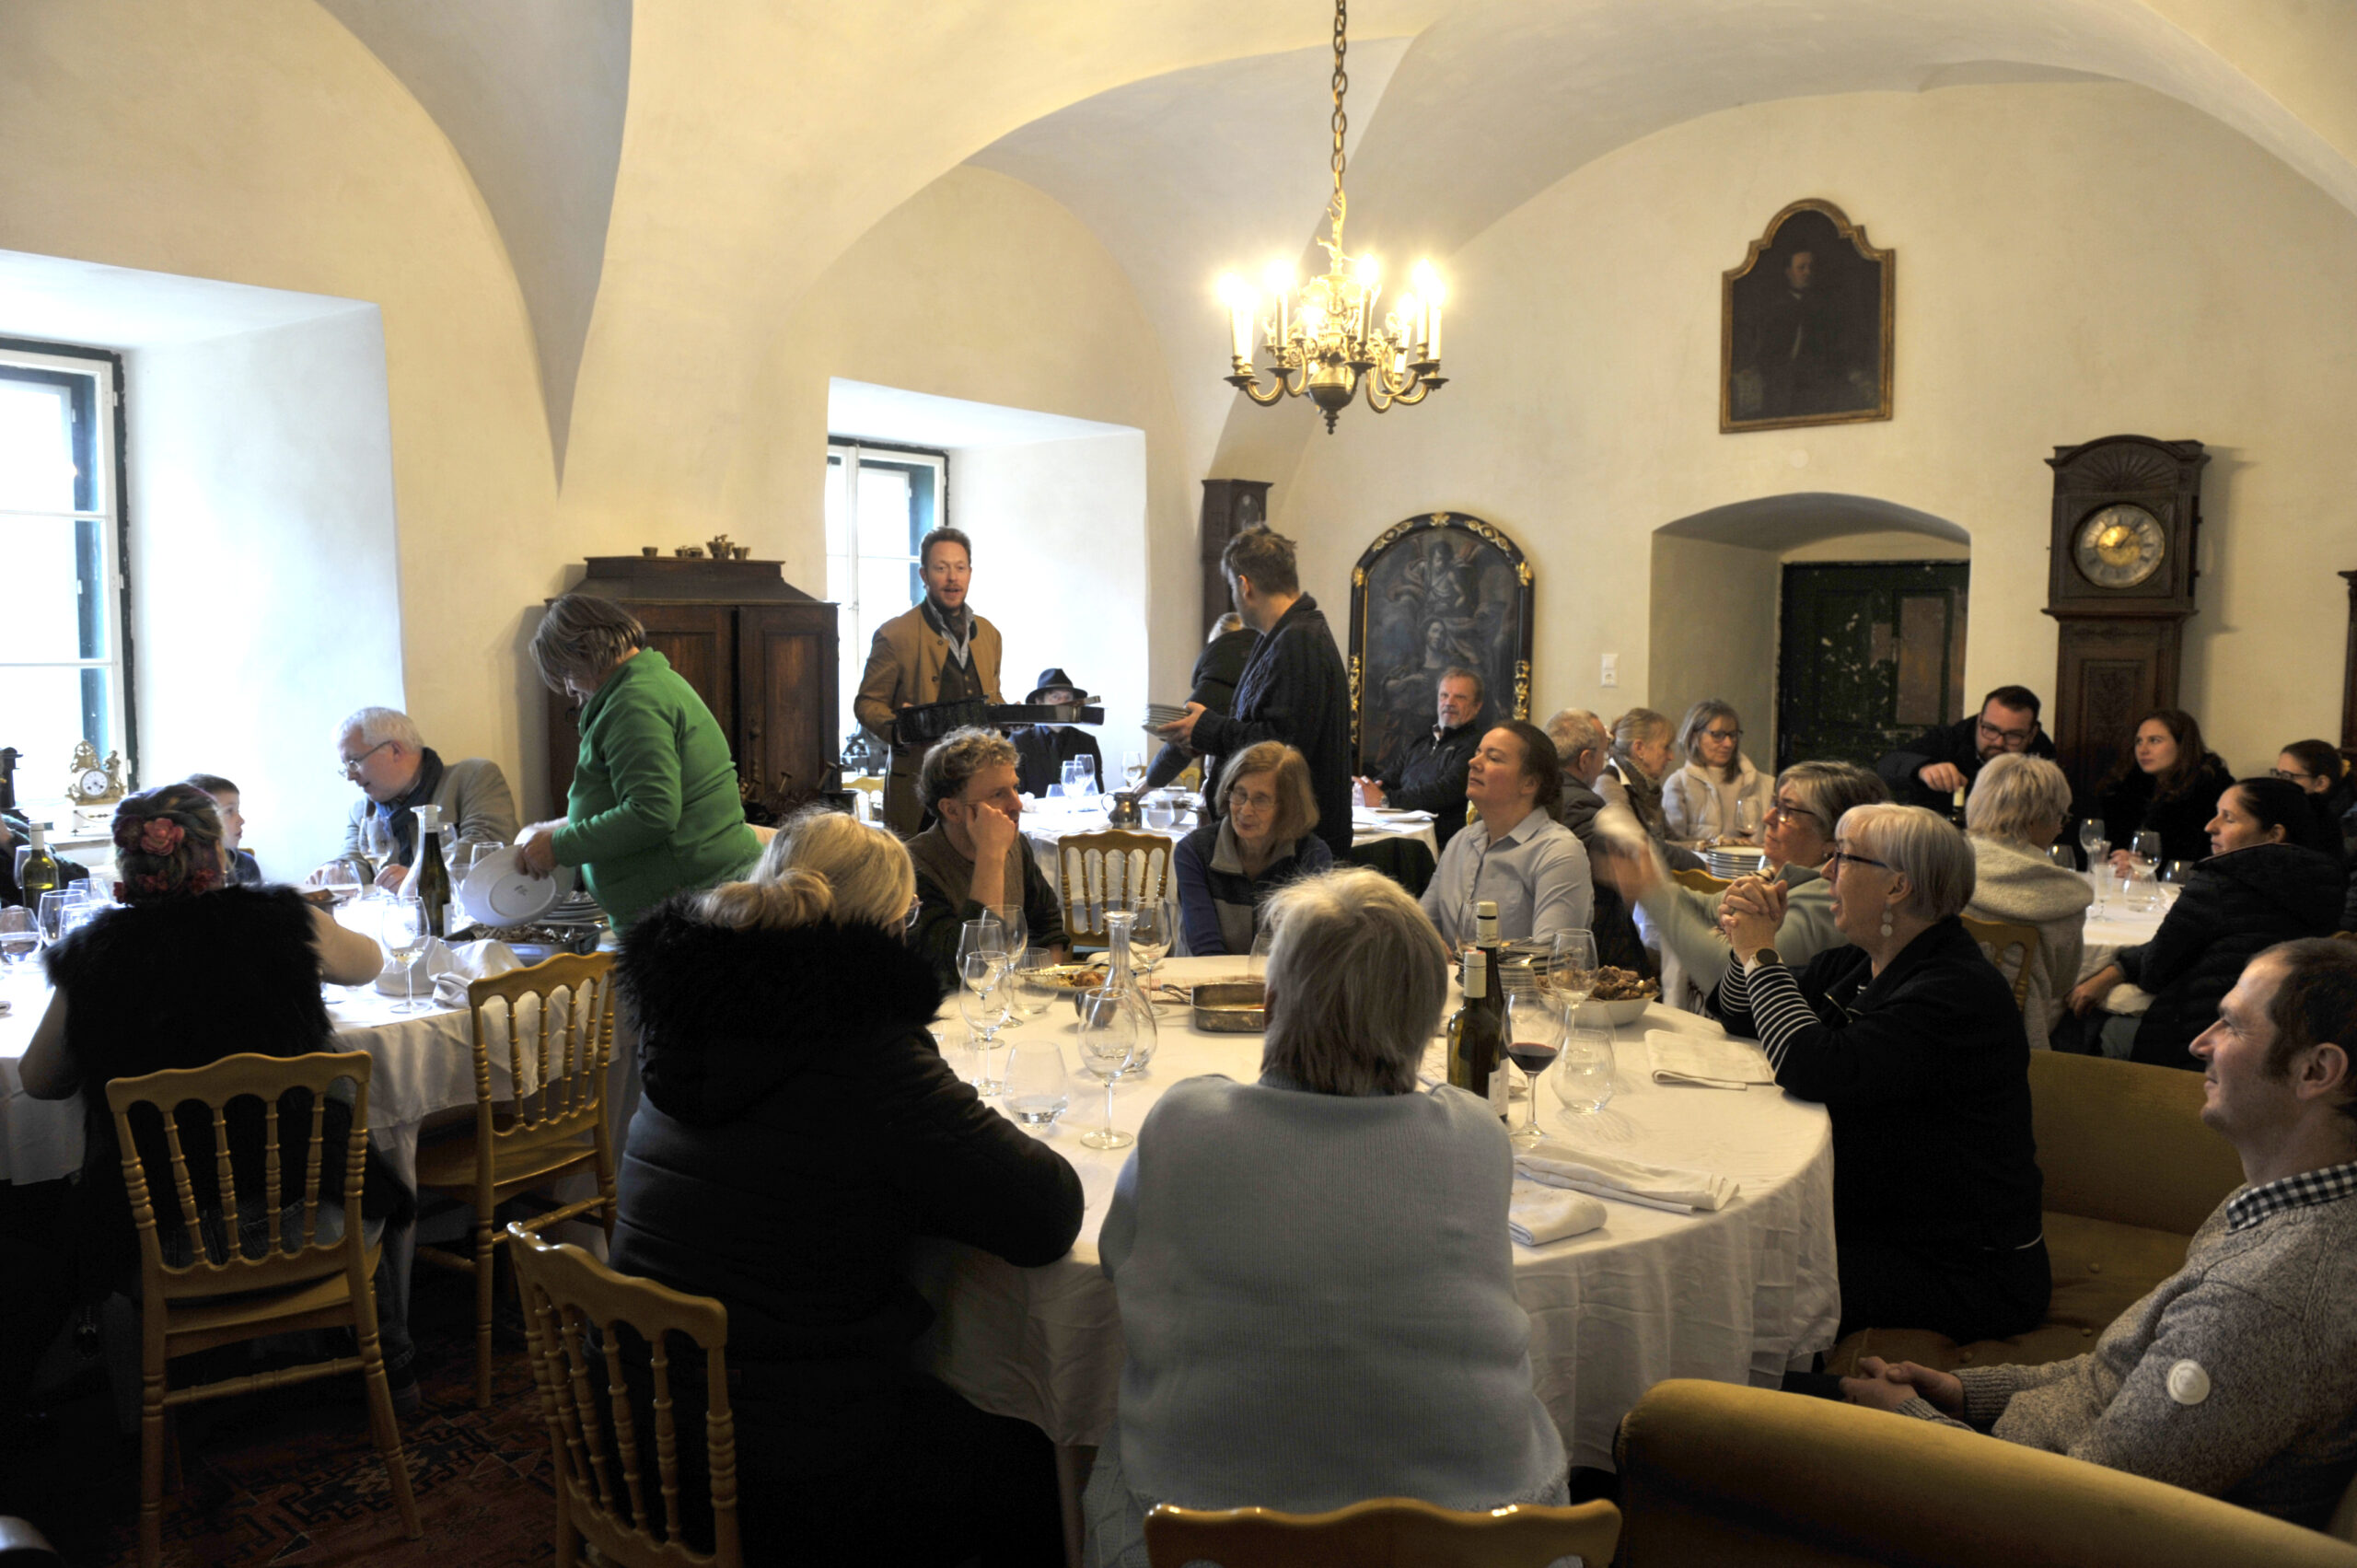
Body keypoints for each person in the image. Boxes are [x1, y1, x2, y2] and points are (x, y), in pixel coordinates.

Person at [611, 807, 1084, 1566]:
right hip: (786, 1460)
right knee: (1032, 1453)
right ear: (885, 929)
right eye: (908, 918)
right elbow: (1046, 1213)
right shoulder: (861, 1045)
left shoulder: (684, 1010)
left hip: (637, 1417)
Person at [1082, 867, 1569, 1567]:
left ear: (1271, 1003)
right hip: (1481, 1543)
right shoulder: (1474, 1135)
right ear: (1428, 1023)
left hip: (1205, 1540)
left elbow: (1115, 1259)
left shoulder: (1185, 1123)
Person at [1843, 939, 2357, 1529]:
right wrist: (1964, 1393)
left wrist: (1910, 1422)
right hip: (2011, 1464)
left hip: (2000, 1517)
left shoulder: (2262, 1304)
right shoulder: (2285, 1200)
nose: (2201, 1042)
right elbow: (2116, 1374)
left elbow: (2079, 1515)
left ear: (2316, 1071)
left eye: (2233, 1025)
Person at [19, 786, 416, 1398]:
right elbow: (368, 963)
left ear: (127, 864)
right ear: (218, 852)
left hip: (165, 1242)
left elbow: (39, 1081)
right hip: (315, 1222)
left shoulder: (93, 953)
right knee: (349, 1156)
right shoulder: (282, 920)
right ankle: (392, 1373)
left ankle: (166, 1406)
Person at [1712, 803, 2048, 1342]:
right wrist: (1744, 945)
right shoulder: (1862, 962)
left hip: (1961, 1266)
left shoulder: (1956, 990)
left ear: (1898, 886)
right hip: (1880, 1225)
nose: (1826, 871)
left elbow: (1812, 1066)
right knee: (1730, 1245)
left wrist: (1760, 953)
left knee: (1735, 1277)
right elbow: (1739, 1013)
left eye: (1843, 857)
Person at [516, 594, 761, 931]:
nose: (569, 689)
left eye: (565, 672)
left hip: (689, 915)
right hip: (689, 907)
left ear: (583, 652)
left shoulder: (634, 703)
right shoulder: (649, 684)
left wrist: (560, 847)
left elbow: (652, 813)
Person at [2068, 778, 2344, 1067]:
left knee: (2080, 1020)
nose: (2210, 826)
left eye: (2229, 818)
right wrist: (2120, 968)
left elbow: (2154, 972)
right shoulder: (2325, 886)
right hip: (2286, 1046)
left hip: (2200, 1044)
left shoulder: (2218, 883)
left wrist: (2114, 971)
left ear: (2274, 834)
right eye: (2216, 814)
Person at [1610, 761, 1888, 1009]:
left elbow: (1730, 979)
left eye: (1787, 811)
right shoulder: (1773, 877)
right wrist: (1645, 879)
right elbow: (1707, 905)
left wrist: (1652, 892)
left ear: (1833, 837)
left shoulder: (1828, 898)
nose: (1768, 818)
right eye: (1774, 804)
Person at [1156, 529, 1353, 859]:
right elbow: (1261, 724)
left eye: (1232, 588)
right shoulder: (1282, 636)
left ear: (1245, 586)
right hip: (1281, 842)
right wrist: (1202, 734)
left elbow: (1282, 748)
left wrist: (1207, 728)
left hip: (1294, 846)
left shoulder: (1298, 641)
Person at [853, 525, 1004, 835]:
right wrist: (901, 728)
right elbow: (867, 704)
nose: (952, 578)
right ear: (924, 575)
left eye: (960, 568)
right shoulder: (894, 634)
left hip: (980, 790)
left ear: (970, 573)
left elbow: (992, 698)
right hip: (919, 794)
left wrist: (1009, 715)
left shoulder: (989, 634)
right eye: (941, 568)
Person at [905, 727, 1066, 990]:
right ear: (952, 810)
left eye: (1014, 788)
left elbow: (1048, 927)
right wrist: (990, 857)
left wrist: (1043, 989)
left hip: (1013, 1001)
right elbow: (962, 972)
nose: (1017, 805)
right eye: (998, 794)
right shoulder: (915, 866)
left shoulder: (1016, 845)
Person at [1420, 719, 1591, 948]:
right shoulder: (1461, 841)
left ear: (1529, 783)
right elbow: (1421, 927)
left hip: (1520, 974)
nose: (1473, 762)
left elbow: (1551, 954)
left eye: (1493, 758)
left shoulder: (1558, 852)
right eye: (1478, 752)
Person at [1962, 754, 2093, 1051]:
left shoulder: (1943, 867)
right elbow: (2062, 984)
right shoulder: (2065, 896)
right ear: (2036, 819)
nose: (2060, 828)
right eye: (2061, 817)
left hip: (1928, 1031)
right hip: (2017, 1046)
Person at [329, 706, 517, 890]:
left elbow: (486, 847)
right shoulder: (362, 811)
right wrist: (334, 873)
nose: (350, 776)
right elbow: (353, 862)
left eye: (354, 762)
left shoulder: (472, 778)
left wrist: (421, 876)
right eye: (345, 766)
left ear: (395, 750)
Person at [1172, 742, 1333, 957]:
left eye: (1261, 800)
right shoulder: (1194, 852)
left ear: (1288, 806)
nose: (1245, 810)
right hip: (1206, 974)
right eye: (1239, 794)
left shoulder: (1311, 855)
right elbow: (1205, 948)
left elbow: (1305, 946)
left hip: (1280, 975)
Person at [1543, 708, 1647, 972]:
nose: (1606, 759)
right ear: (1585, 760)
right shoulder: (1582, 804)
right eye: (1603, 751)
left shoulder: (1537, 797)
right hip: (1591, 956)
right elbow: (1625, 866)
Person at [1357, 665, 1484, 851]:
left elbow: (1446, 790)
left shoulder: (1477, 746)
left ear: (1477, 706)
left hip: (1440, 844)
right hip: (1399, 835)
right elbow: (1390, 776)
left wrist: (1386, 800)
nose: (1449, 702)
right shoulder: (1421, 742)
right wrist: (1368, 788)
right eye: (1444, 695)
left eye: (1460, 697)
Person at [1876, 685, 2055, 811]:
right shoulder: (1949, 739)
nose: (1999, 742)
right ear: (1979, 720)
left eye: (2013, 735)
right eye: (1991, 729)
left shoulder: (2046, 763)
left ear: (2032, 734)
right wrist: (1923, 769)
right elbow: (1886, 765)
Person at [2095, 709, 2233, 868]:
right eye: (2139, 741)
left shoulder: (2210, 790)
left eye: (2154, 741)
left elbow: (2196, 858)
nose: (2143, 750)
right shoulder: (2127, 788)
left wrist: (2142, 864)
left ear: (2182, 745)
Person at [1144, 612, 1259, 791]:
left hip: (1238, 785)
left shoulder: (1218, 675)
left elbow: (1179, 745)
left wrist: (1148, 783)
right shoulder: (1270, 662)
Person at [1661, 699, 1773, 847]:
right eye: (1718, 735)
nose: (1728, 743)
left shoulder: (1762, 784)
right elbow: (1671, 847)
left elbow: (1774, 846)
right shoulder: (1678, 784)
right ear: (1694, 736)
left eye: (1732, 735)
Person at [1008, 667, 1105, 799]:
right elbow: (1014, 795)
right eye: (1055, 697)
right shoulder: (1019, 742)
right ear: (1040, 702)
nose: (1063, 702)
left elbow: (1095, 793)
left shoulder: (1087, 743)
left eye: (1068, 697)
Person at [1596, 707, 1677, 846]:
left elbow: (1671, 840)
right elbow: (1639, 846)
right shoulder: (1609, 785)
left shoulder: (1648, 787)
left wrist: (1706, 845)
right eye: (1666, 747)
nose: (1671, 757)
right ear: (1639, 748)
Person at [2276, 738, 2356, 859]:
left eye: (2287, 776)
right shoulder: (2291, 807)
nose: (2278, 782)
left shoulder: (2334, 823)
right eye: (2278, 774)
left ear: (2321, 783)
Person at [184, 772, 262, 887]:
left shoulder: (246, 864)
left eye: (238, 811)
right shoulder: (176, 868)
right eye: (229, 811)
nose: (241, 820)